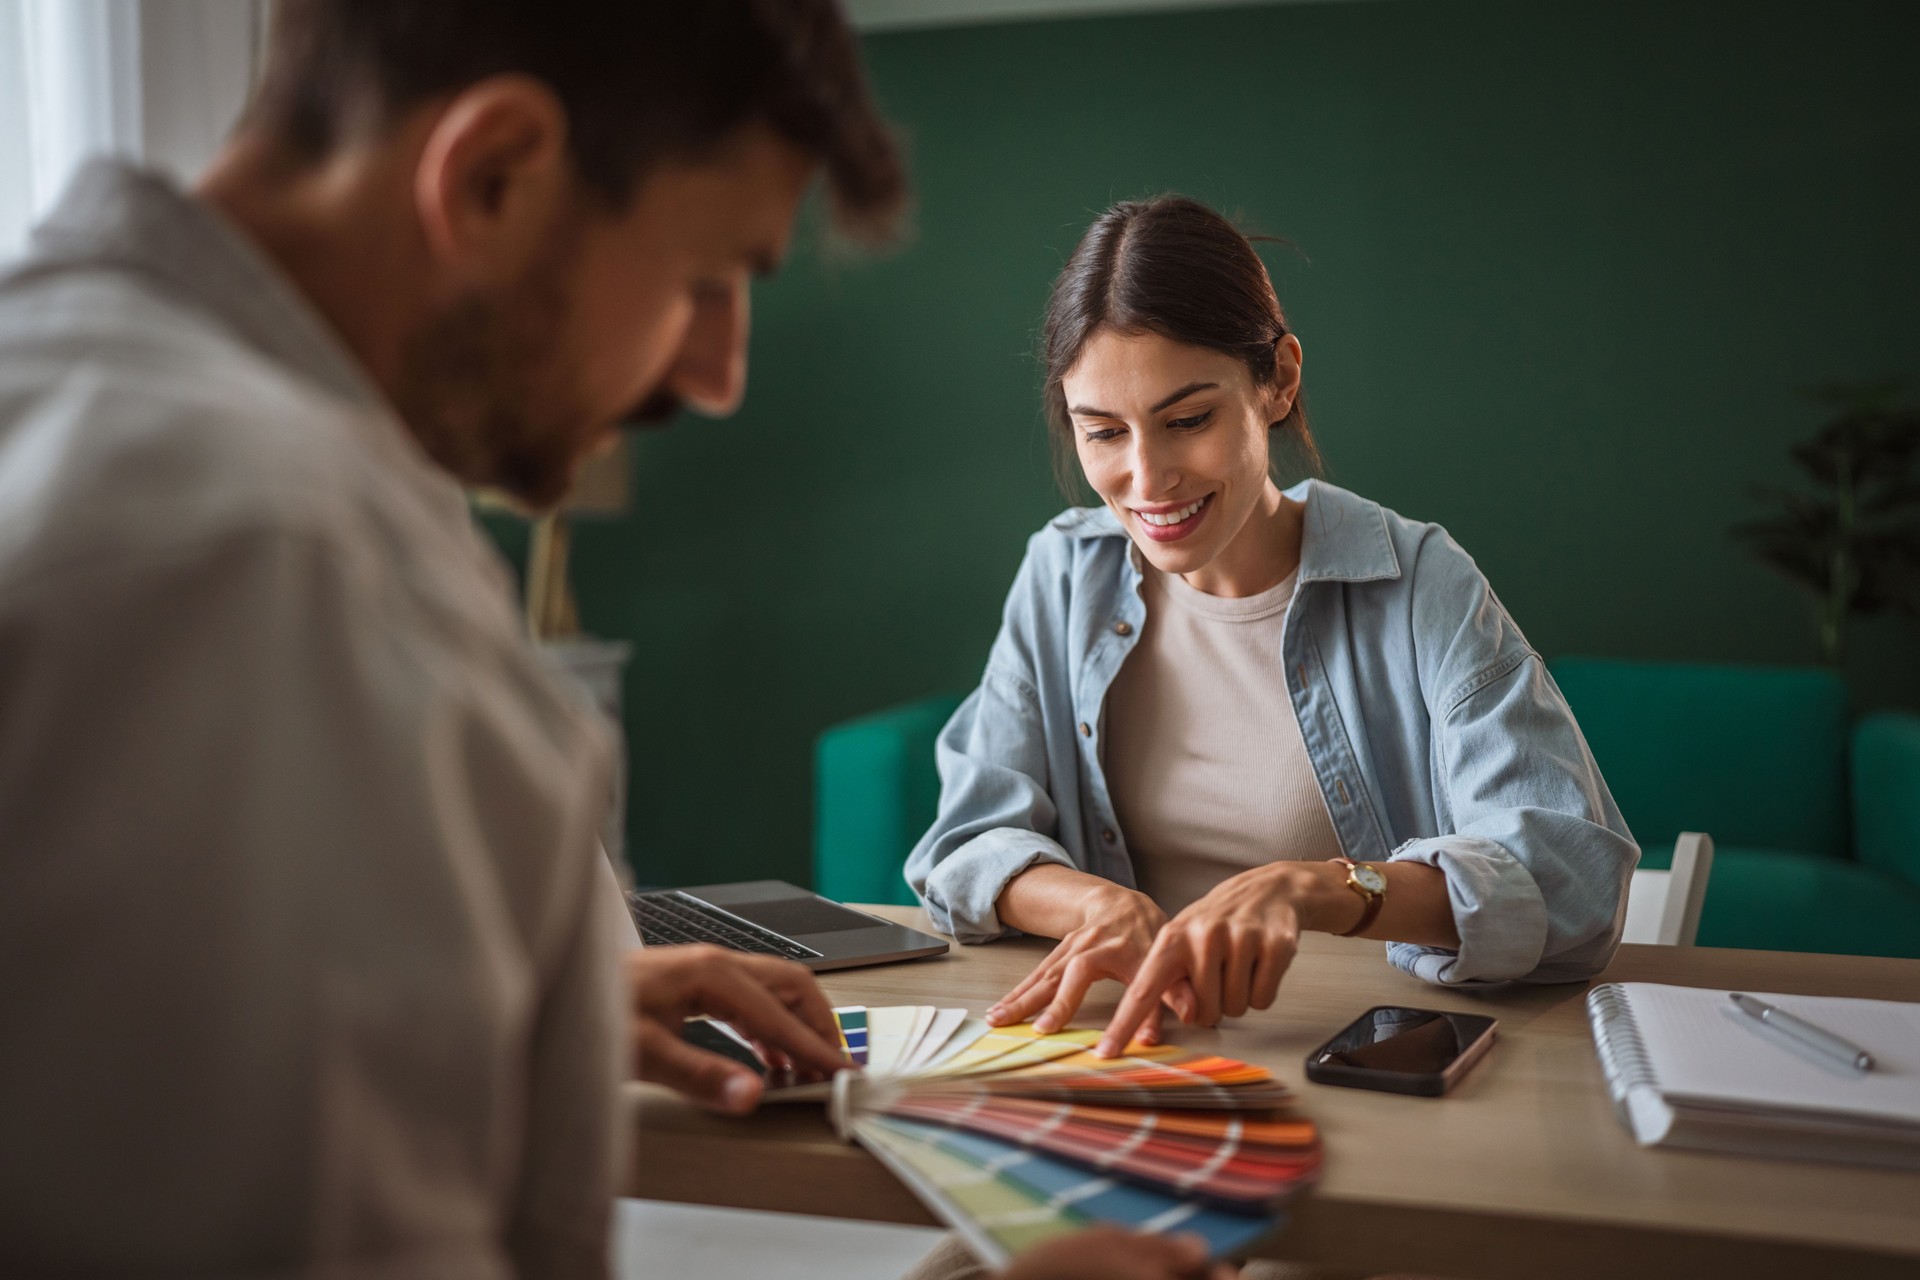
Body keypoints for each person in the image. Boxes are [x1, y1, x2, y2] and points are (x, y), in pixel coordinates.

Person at [0, 3, 1224, 1278]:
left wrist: (520, 1017)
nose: (719, 375)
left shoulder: (87, 409)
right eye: (706, 278)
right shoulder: (274, 577)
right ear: (495, 176)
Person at [905, 195, 1637, 1059]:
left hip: (1356, 1058)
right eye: (1102, 433)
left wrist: (1322, 890)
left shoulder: (1418, 583)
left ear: (1278, 380)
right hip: (1134, 1053)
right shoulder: (1064, 573)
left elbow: (1570, 885)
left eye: (1188, 421)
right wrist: (1096, 905)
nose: (1148, 479)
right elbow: (965, 844)